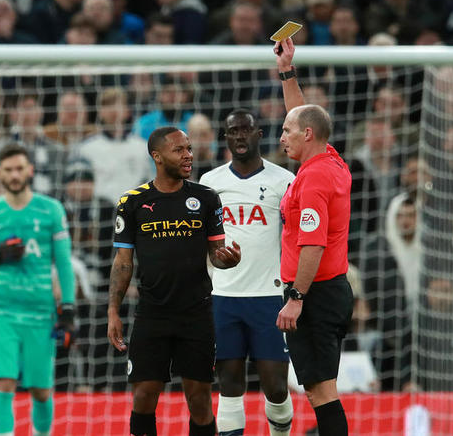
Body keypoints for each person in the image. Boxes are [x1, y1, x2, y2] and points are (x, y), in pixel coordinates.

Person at [107, 126, 242, 436]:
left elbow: (217, 253)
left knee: (199, 400)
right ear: (157, 156)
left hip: (196, 313)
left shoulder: (206, 198)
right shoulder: (132, 202)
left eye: (189, 148)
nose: (188, 155)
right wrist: (113, 310)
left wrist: (228, 259)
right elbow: (123, 262)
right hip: (152, 314)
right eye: (179, 150)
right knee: (143, 398)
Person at [0, 144, 76, 436]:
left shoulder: (51, 209)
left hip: (41, 312)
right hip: (1, 311)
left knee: (41, 390)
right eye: (8, 170)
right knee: (4, 382)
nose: (15, 175)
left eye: (19, 168)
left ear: (31, 170)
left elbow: (64, 264)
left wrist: (68, 309)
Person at [274, 37, 354, 435]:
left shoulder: (315, 180)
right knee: (321, 390)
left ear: (307, 135)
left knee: (322, 393)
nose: (281, 137)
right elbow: (302, 115)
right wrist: (287, 71)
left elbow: (313, 243)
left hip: (315, 294)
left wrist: (296, 298)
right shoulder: (329, 158)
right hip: (329, 290)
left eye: (287, 132)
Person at [198, 109, 295, 436]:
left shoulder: (284, 181)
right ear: (225, 138)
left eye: (245, 130)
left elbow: (296, 238)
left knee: (276, 387)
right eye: (232, 131)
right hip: (224, 296)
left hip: (269, 296)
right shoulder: (210, 183)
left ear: (259, 134)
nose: (239, 136)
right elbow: (203, 241)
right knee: (229, 383)